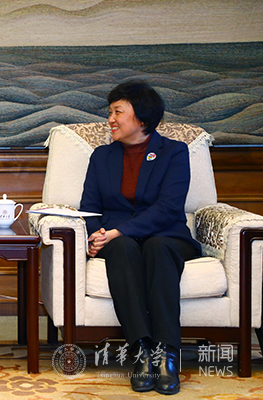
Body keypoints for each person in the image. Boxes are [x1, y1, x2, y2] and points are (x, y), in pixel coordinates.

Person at [80, 80, 200, 395]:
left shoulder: (174, 152)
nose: (110, 119)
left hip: (166, 234)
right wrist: (95, 235)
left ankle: (167, 354)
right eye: (110, 112)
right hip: (116, 240)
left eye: (118, 112)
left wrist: (119, 230)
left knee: (157, 248)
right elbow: (89, 208)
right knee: (121, 248)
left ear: (142, 117)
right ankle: (142, 351)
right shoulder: (101, 157)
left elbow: (168, 207)